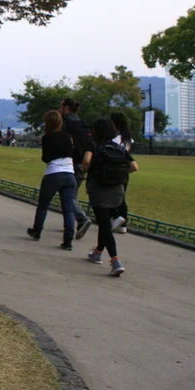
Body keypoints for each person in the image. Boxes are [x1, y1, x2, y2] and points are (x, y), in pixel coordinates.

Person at [82, 117, 137, 277]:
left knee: (104, 225)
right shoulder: (118, 147)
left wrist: (84, 170)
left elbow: (86, 161)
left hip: (98, 189)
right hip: (117, 190)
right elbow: (134, 166)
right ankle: (97, 252)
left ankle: (115, 261)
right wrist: (118, 174)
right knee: (104, 224)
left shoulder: (93, 145)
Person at [27, 110, 79, 249]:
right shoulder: (68, 136)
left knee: (43, 205)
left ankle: (37, 231)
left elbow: (46, 158)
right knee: (68, 209)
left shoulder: (47, 137)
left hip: (53, 173)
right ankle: (68, 240)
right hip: (70, 174)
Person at [59, 98, 93, 240]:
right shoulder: (83, 124)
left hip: (69, 163)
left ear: (66, 107)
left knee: (66, 194)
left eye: (61, 106)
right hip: (83, 163)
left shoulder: (64, 123)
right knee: (73, 194)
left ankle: (81, 218)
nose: (59, 109)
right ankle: (72, 223)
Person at [108, 112, 132, 234]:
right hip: (124, 170)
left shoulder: (115, 140)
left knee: (110, 196)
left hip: (114, 170)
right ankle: (123, 224)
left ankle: (116, 217)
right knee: (121, 197)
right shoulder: (127, 138)